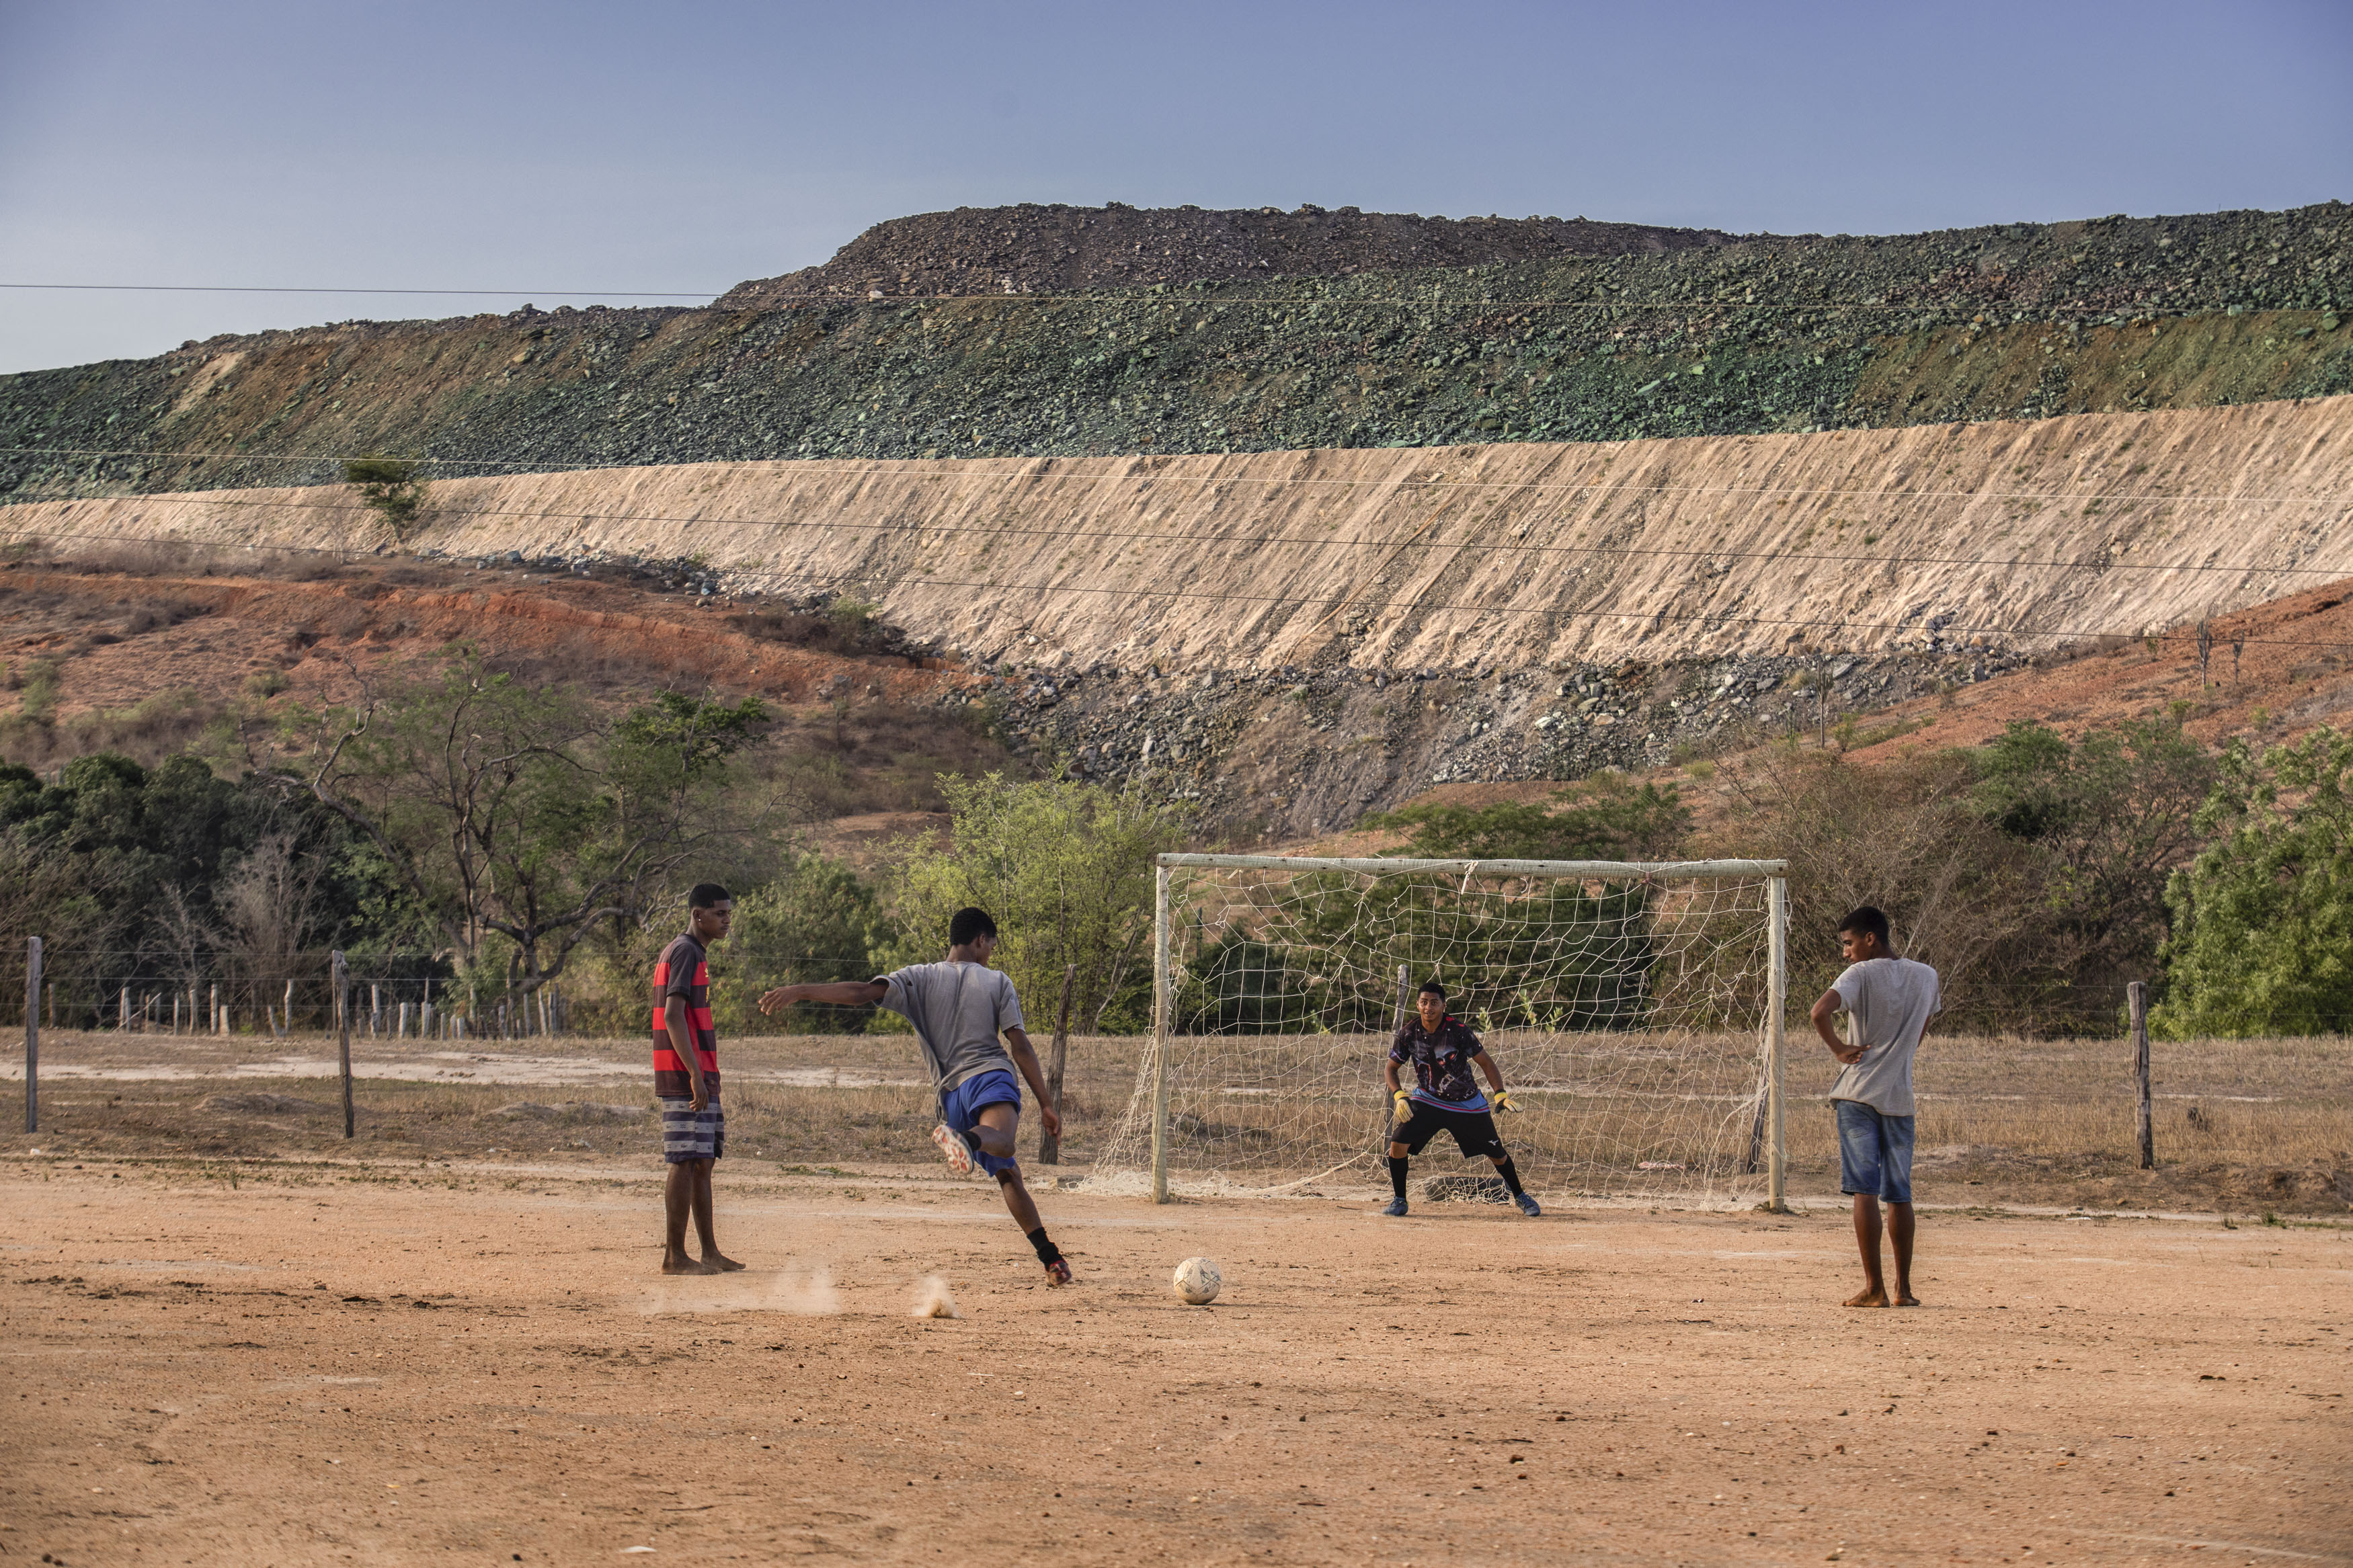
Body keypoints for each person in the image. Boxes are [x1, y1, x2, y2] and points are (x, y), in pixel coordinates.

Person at [758, 906, 1072, 1286]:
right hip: (991, 1076)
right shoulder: (998, 981)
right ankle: (966, 1140)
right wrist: (1046, 1104)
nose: (990, 954)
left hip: (951, 1095)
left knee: (1008, 1172)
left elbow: (861, 992)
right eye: (991, 946)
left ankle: (1051, 1258)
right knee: (1003, 1143)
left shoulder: (917, 977)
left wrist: (800, 991)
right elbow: (1019, 1045)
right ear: (980, 940)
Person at [1808, 905, 1940, 1308]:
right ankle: (1904, 1290)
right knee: (1899, 1194)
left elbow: (1819, 1012)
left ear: (1870, 939)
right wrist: (1898, 1056)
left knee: (1864, 1191)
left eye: (1849, 944)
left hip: (1859, 1095)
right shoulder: (1927, 976)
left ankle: (1874, 1288)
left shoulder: (1861, 974)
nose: (1845, 953)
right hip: (1899, 1099)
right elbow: (1921, 1028)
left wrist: (1839, 1048)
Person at [1382, 979, 1540, 1218]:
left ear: (1443, 1005)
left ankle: (1521, 1196)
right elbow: (1390, 1069)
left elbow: (1486, 1063)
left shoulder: (1459, 1031)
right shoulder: (1409, 1033)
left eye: (1434, 1003)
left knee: (1497, 1153)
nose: (1428, 1007)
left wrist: (1500, 1094)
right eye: (1424, 1002)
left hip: (1466, 1102)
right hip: (1429, 1099)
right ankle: (1400, 1200)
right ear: (1417, 1004)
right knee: (1397, 1144)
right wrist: (1399, 1095)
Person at [655, 883, 743, 1276]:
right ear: (698, 915)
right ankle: (674, 1257)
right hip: (685, 1075)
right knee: (685, 1160)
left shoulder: (692, 952)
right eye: (719, 914)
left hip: (701, 1073)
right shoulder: (686, 952)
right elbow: (672, 1015)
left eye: (728, 914)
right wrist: (693, 1074)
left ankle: (710, 1252)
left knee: (702, 1161)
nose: (726, 921)